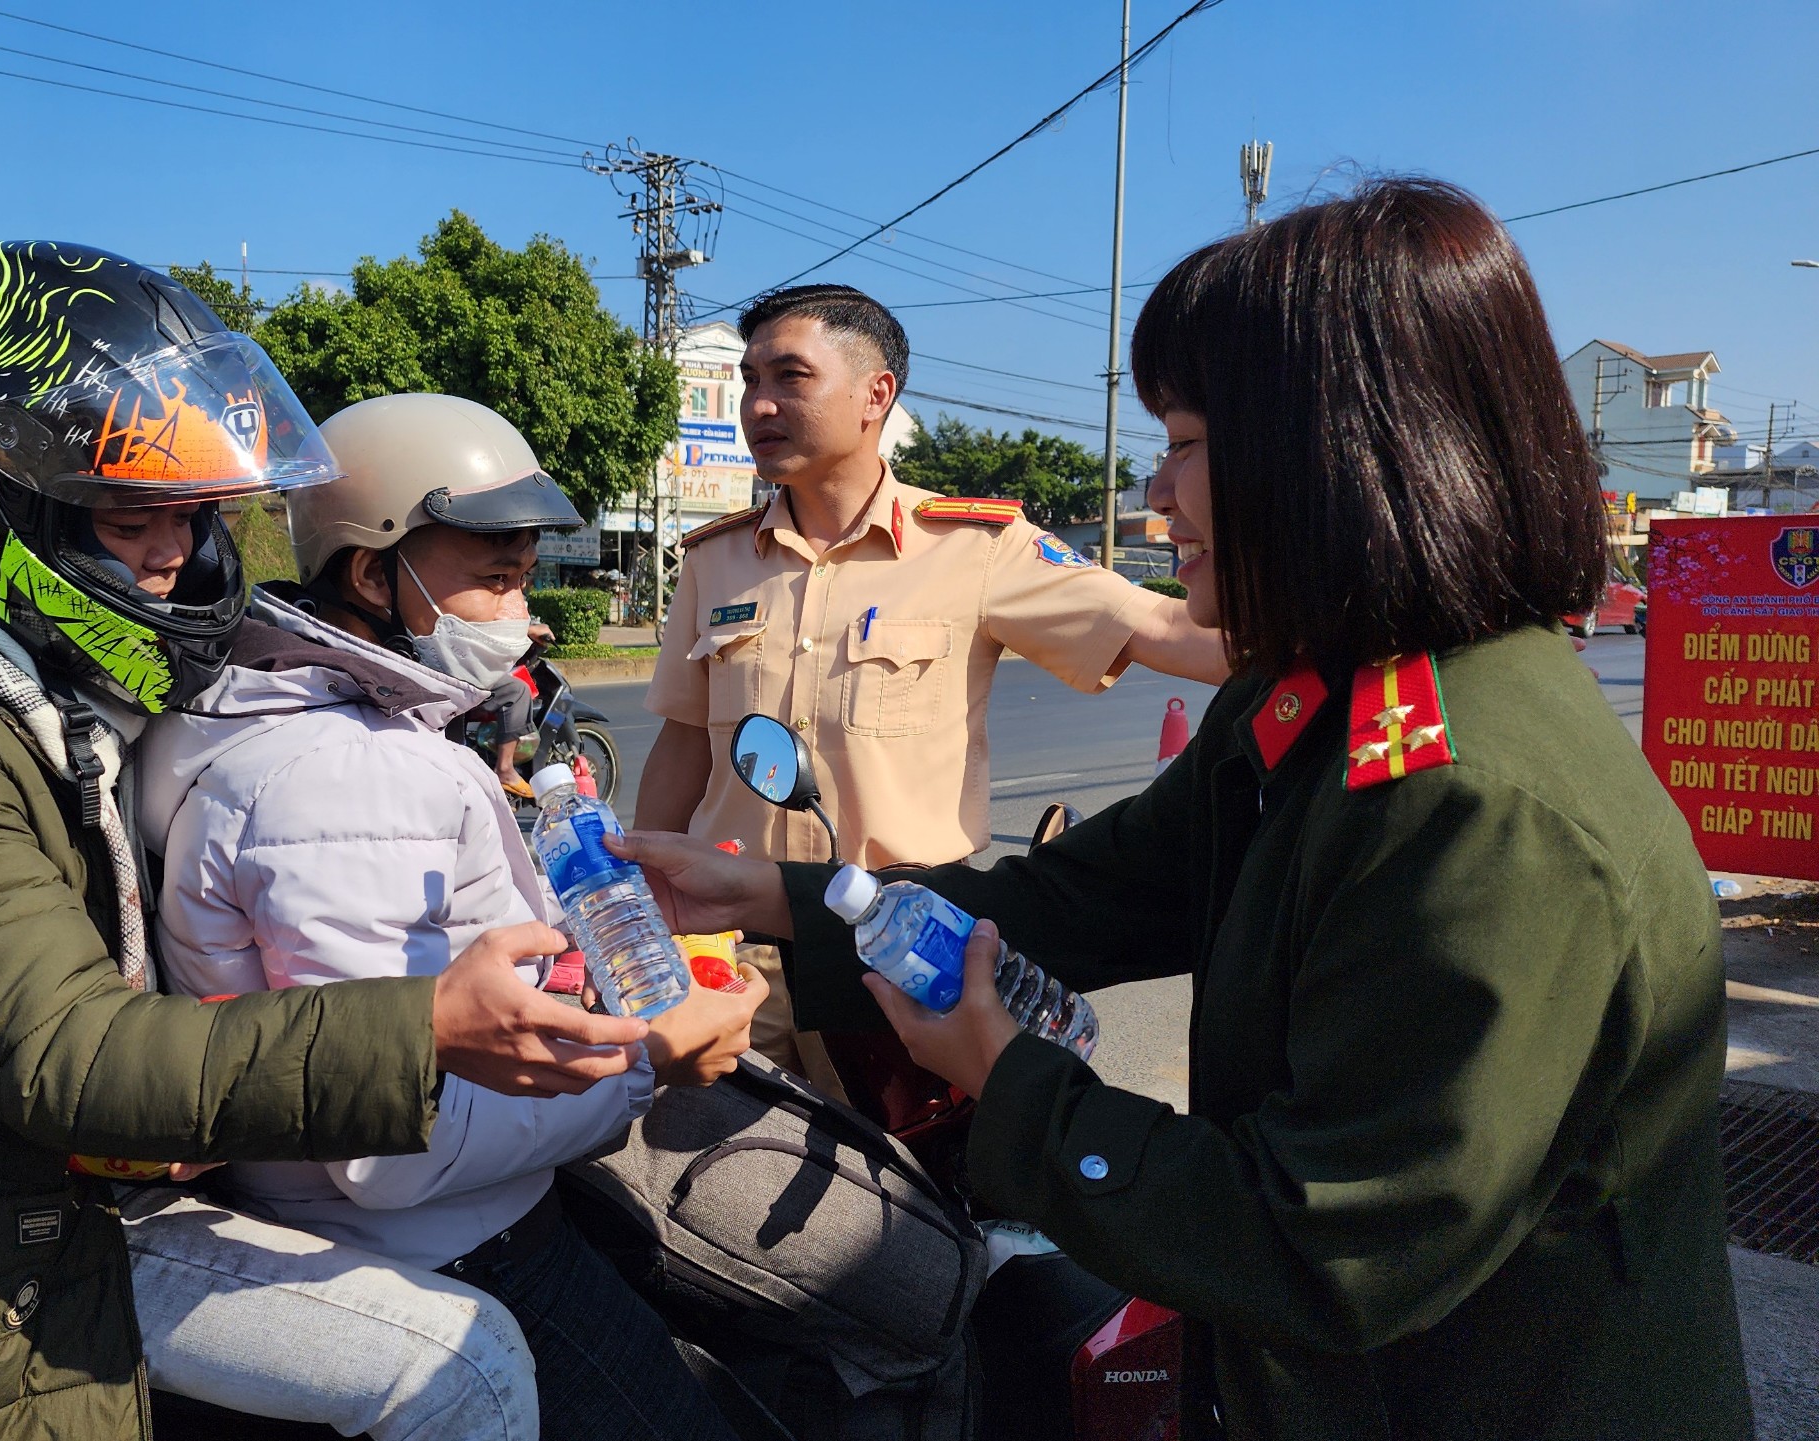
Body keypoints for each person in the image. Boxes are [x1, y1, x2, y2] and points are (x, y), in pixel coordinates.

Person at [613, 181, 1753, 1439]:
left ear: (1342, 448)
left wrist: (1011, 1086)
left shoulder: (1476, 801)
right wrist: (776, 896)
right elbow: (1082, 894)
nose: (1156, 495)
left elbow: (1322, 1244)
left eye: (1188, 443)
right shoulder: (1315, 696)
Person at [0, 242, 652, 1441]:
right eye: (133, 518)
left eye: (195, 517)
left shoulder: (55, 693)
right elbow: (72, 1059)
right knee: (466, 1369)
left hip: (52, 1198)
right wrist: (424, 1028)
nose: (178, 559)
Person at [135, 391, 759, 1440]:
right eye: (496, 577)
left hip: (438, 1220)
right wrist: (652, 1055)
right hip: (456, 1247)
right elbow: (394, 1144)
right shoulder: (347, 774)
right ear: (375, 571)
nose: (524, 616)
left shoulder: (290, 715)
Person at [634, 283, 1228, 1086]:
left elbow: (1167, 631)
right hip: (735, 955)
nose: (759, 404)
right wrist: (647, 908)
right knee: (706, 1176)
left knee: (908, 1196)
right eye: (749, 380)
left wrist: (1362, 641)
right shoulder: (715, 558)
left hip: (901, 950)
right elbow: (681, 742)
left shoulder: (974, 547)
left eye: (790, 377)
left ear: (876, 393)